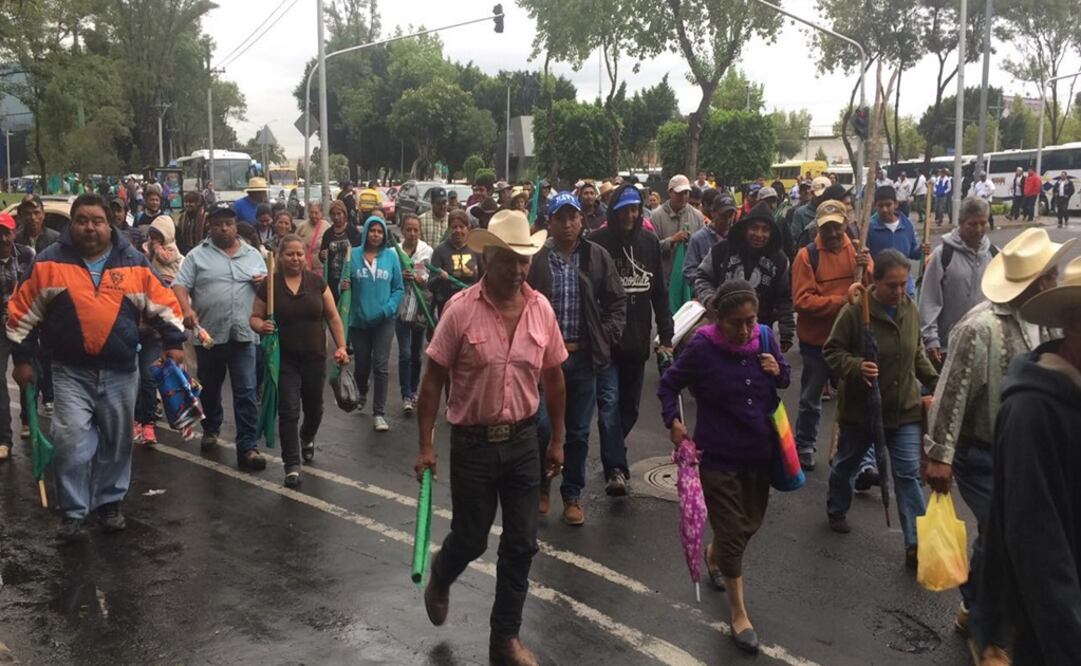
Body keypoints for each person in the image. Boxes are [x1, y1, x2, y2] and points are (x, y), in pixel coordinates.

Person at [415, 209, 567, 666]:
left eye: (525, 261)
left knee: (522, 542)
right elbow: (432, 381)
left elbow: (555, 379)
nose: (519, 270)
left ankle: (504, 640)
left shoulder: (540, 309)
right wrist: (425, 445)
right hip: (473, 444)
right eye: (509, 261)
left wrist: (557, 440)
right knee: (472, 537)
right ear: (488, 260)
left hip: (524, 441)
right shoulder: (459, 311)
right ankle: (442, 574)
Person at [923, 228, 1073, 642]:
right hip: (980, 453)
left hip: (1021, 452)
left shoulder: (1043, 325)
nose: (1056, 281)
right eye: (1050, 276)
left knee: (1007, 536)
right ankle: (986, 621)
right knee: (1002, 533)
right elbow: (951, 392)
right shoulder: (979, 327)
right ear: (1037, 281)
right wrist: (940, 455)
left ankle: (977, 609)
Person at [7, 194, 186, 540]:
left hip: (121, 372)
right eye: (82, 220)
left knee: (117, 443)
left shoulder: (133, 262)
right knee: (71, 441)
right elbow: (22, 311)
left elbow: (163, 303)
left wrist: (174, 343)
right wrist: (23, 360)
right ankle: (73, 511)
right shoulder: (47, 264)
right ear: (70, 224)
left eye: (97, 220)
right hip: (69, 372)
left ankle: (109, 503)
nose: (90, 227)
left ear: (110, 224)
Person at [658, 280, 790, 655]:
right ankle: (739, 613)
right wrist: (673, 423)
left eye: (751, 320)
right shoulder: (702, 346)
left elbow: (784, 379)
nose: (745, 330)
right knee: (733, 533)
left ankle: (715, 555)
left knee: (749, 525)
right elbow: (669, 385)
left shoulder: (764, 339)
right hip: (716, 457)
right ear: (718, 318)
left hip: (760, 454)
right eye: (736, 322)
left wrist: (775, 367)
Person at [975, 257, 1081, 664]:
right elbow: (1039, 545)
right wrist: (942, 452)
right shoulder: (1033, 411)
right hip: (1054, 636)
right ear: (1073, 324)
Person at [824, 250, 939, 567]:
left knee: (907, 475)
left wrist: (936, 383)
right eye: (892, 285)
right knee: (847, 463)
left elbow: (915, 354)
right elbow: (831, 352)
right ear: (875, 282)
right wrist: (856, 366)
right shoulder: (854, 312)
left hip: (903, 410)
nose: (899, 292)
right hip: (862, 411)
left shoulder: (909, 309)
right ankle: (836, 507)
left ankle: (915, 543)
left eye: (904, 284)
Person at [526, 192, 626, 525]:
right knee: (541, 427)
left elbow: (616, 303)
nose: (568, 224)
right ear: (549, 222)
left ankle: (572, 495)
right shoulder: (537, 259)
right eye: (560, 218)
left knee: (579, 433)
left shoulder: (597, 256)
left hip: (584, 358)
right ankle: (542, 487)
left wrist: (605, 336)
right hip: (544, 361)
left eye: (573, 217)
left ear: (581, 220)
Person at [589, 184, 674, 495]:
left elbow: (660, 295)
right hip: (606, 342)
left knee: (630, 408)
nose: (629, 215)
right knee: (608, 403)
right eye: (623, 209)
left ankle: (613, 449)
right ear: (613, 211)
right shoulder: (596, 242)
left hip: (638, 341)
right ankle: (616, 468)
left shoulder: (649, 242)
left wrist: (666, 335)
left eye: (634, 209)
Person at [172, 202, 269, 470]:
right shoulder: (196, 256)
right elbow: (180, 284)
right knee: (211, 387)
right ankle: (212, 428)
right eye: (218, 224)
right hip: (209, 335)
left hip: (244, 334)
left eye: (228, 223)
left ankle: (248, 446)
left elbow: (269, 292)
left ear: (235, 224)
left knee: (246, 390)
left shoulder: (253, 255)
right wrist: (187, 309)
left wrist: (263, 286)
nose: (224, 228)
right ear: (210, 226)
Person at [250, 235, 348, 487]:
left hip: (315, 358)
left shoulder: (317, 283)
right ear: (280, 257)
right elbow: (254, 317)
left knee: (314, 408)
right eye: (289, 254)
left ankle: (307, 436)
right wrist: (263, 326)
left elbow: (333, 317)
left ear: (306, 256)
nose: (295, 258)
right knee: (289, 410)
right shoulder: (270, 286)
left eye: (299, 254)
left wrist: (341, 347)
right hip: (284, 361)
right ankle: (291, 464)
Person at [791, 199, 873, 471]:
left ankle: (862, 457)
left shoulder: (859, 252)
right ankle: (805, 444)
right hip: (818, 342)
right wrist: (841, 301)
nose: (834, 233)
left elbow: (871, 292)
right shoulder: (807, 255)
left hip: (852, 340)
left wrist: (869, 269)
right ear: (819, 227)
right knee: (810, 400)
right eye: (828, 228)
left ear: (845, 224)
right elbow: (802, 301)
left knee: (859, 398)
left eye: (838, 227)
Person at [693, 201, 795, 351]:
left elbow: (785, 297)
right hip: (721, 330)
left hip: (759, 335)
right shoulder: (721, 250)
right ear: (745, 228)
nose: (759, 234)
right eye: (754, 228)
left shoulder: (779, 260)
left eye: (765, 230)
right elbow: (702, 277)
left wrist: (787, 332)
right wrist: (710, 299)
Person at [343, 215, 404, 432]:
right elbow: (344, 285)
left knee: (380, 366)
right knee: (361, 365)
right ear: (366, 232)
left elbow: (399, 288)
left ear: (384, 234)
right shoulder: (354, 254)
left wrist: (387, 309)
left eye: (380, 231)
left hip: (384, 321)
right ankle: (362, 389)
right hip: (359, 321)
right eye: (372, 230)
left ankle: (379, 413)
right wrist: (344, 284)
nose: (376, 235)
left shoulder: (391, 257)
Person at [919, 197, 998, 364]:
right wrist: (931, 338)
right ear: (961, 223)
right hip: (948, 346)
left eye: (983, 223)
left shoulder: (994, 254)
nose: (978, 229)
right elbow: (929, 299)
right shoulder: (943, 255)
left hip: (984, 345)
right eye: (972, 224)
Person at [13, 195, 58, 424]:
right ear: (20, 215)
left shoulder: (54, 240)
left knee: (49, 356)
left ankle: (49, 397)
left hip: (50, 309)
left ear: (43, 214)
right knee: (25, 361)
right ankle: (26, 416)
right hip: (24, 310)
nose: (32, 217)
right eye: (27, 213)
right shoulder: (14, 240)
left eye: (36, 212)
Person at [0, 212, 34, 462]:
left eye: (6, 232)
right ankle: (3, 438)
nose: (2, 238)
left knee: (28, 374)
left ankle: (28, 420)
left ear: (14, 232)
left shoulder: (27, 255)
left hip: (24, 323)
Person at [395, 214, 433, 414]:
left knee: (417, 355)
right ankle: (406, 394)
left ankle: (414, 389)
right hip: (400, 310)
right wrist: (400, 276)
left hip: (420, 310)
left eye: (415, 230)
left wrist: (419, 278)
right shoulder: (395, 252)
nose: (412, 233)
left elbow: (431, 278)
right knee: (405, 353)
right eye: (408, 229)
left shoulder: (427, 252)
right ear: (402, 230)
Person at [867, 185, 928, 297]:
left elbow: (912, 253)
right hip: (881, 287)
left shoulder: (907, 225)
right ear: (875, 206)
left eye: (888, 205)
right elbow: (866, 256)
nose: (884, 209)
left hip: (905, 286)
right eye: (880, 205)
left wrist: (922, 250)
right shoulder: (869, 228)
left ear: (896, 204)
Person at [652, 174, 706, 286]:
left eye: (686, 193)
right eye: (679, 193)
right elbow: (651, 248)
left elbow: (703, 248)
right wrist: (671, 240)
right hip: (664, 280)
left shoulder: (698, 216)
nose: (683, 197)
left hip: (689, 282)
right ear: (670, 192)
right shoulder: (656, 216)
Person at [430, 210, 484, 316]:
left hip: (471, 305)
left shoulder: (476, 249)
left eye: (461, 227)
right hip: (447, 305)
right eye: (454, 227)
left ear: (468, 228)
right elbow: (430, 285)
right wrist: (439, 277)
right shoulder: (440, 251)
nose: (458, 230)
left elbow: (485, 279)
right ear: (449, 228)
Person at [683, 194, 737, 289]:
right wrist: (706, 286)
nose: (727, 220)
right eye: (723, 216)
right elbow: (689, 271)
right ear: (713, 213)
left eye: (731, 215)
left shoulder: (737, 237)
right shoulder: (698, 239)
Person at [319, 200, 361, 304]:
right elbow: (322, 254)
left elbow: (359, 252)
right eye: (333, 214)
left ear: (344, 214)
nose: (336, 217)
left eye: (339, 214)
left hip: (349, 277)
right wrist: (322, 255)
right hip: (332, 278)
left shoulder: (352, 231)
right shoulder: (328, 234)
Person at [294, 200, 328, 273]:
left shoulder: (326, 227)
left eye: (316, 213)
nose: (313, 215)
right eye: (311, 212)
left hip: (320, 268)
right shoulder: (302, 227)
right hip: (304, 267)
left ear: (321, 213)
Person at [176, 190, 207, 255]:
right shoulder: (183, 217)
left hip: (202, 251)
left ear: (198, 203)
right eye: (186, 202)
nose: (187, 204)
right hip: (185, 252)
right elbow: (178, 234)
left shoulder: (205, 217)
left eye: (191, 202)